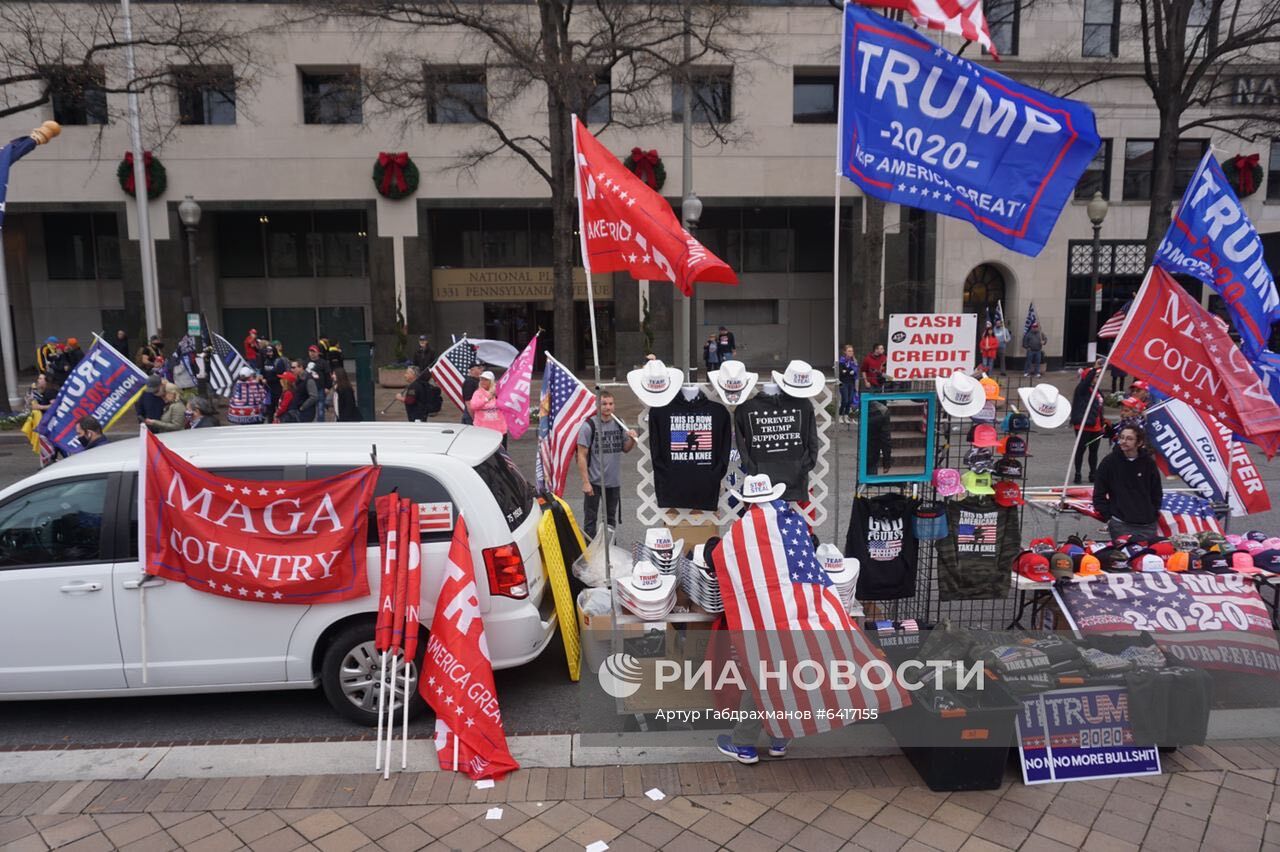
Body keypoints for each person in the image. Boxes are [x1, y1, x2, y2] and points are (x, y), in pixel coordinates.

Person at [576, 390, 637, 540]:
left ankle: (611, 551)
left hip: (613, 482)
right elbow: (581, 456)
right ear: (597, 405)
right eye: (604, 404)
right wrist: (585, 482)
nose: (608, 407)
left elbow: (626, 448)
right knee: (590, 521)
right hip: (594, 482)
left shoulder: (619, 423)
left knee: (610, 520)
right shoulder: (589, 426)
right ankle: (591, 554)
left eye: (610, 404)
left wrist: (632, 439)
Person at [1093, 425, 1163, 542]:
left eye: (1129, 439)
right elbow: (1099, 493)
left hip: (1147, 525)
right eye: (1122, 437)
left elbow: (1156, 492)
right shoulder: (1109, 462)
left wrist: (1153, 513)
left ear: (1139, 442)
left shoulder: (1149, 463)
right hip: (1120, 524)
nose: (1124, 441)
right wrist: (1109, 518)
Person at [1070, 357, 1107, 484]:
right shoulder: (1082, 389)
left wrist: (1103, 422)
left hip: (1096, 425)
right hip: (1084, 425)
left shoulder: (1097, 391)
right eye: (1095, 377)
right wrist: (1095, 368)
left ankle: (1093, 473)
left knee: (1094, 451)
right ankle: (1078, 473)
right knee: (1081, 449)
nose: (1097, 379)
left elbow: (1100, 408)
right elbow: (1085, 383)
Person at [469, 370, 508, 443]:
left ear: (491, 381)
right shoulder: (478, 393)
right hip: (483, 429)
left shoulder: (499, 392)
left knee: (500, 453)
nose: (483, 381)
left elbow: (506, 405)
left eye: (486, 380)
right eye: (481, 379)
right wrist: (486, 399)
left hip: (499, 429)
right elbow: (473, 406)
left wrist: (497, 396)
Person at [259, 343, 289, 421]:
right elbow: (262, 371)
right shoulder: (265, 361)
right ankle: (270, 422)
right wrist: (262, 378)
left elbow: (280, 375)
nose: (268, 353)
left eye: (270, 351)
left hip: (277, 387)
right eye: (267, 351)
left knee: (278, 406)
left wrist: (268, 380)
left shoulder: (279, 361)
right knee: (269, 409)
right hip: (267, 389)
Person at [306, 345, 331, 422]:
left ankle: (321, 424)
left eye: (314, 351)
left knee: (320, 409)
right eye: (310, 351)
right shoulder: (305, 362)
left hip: (320, 388)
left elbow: (328, 376)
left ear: (318, 353)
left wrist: (327, 387)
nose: (312, 353)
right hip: (308, 390)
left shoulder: (323, 363)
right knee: (308, 408)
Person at [838, 343, 860, 424]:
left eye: (852, 351)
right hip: (844, 383)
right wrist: (848, 371)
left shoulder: (854, 361)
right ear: (845, 352)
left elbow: (855, 372)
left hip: (852, 383)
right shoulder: (841, 361)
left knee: (850, 400)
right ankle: (840, 416)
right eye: (849, 351)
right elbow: (841, 373)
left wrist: (848, 371)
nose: (851, 352)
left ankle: (846, 416)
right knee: (845, 400)